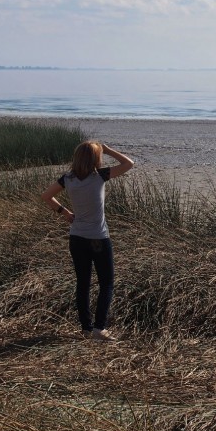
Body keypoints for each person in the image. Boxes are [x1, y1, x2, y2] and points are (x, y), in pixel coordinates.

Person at [41, 141, 134, 340]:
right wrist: (108, 150)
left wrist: (64, 212)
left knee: (82, 283)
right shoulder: (99, 176)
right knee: (106, 283)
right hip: (98, 237)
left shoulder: (67, 178)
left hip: (76, 237)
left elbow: (46, 196)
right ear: (95, 159)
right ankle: (99, 328)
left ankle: (86, 328)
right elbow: (129, 164)